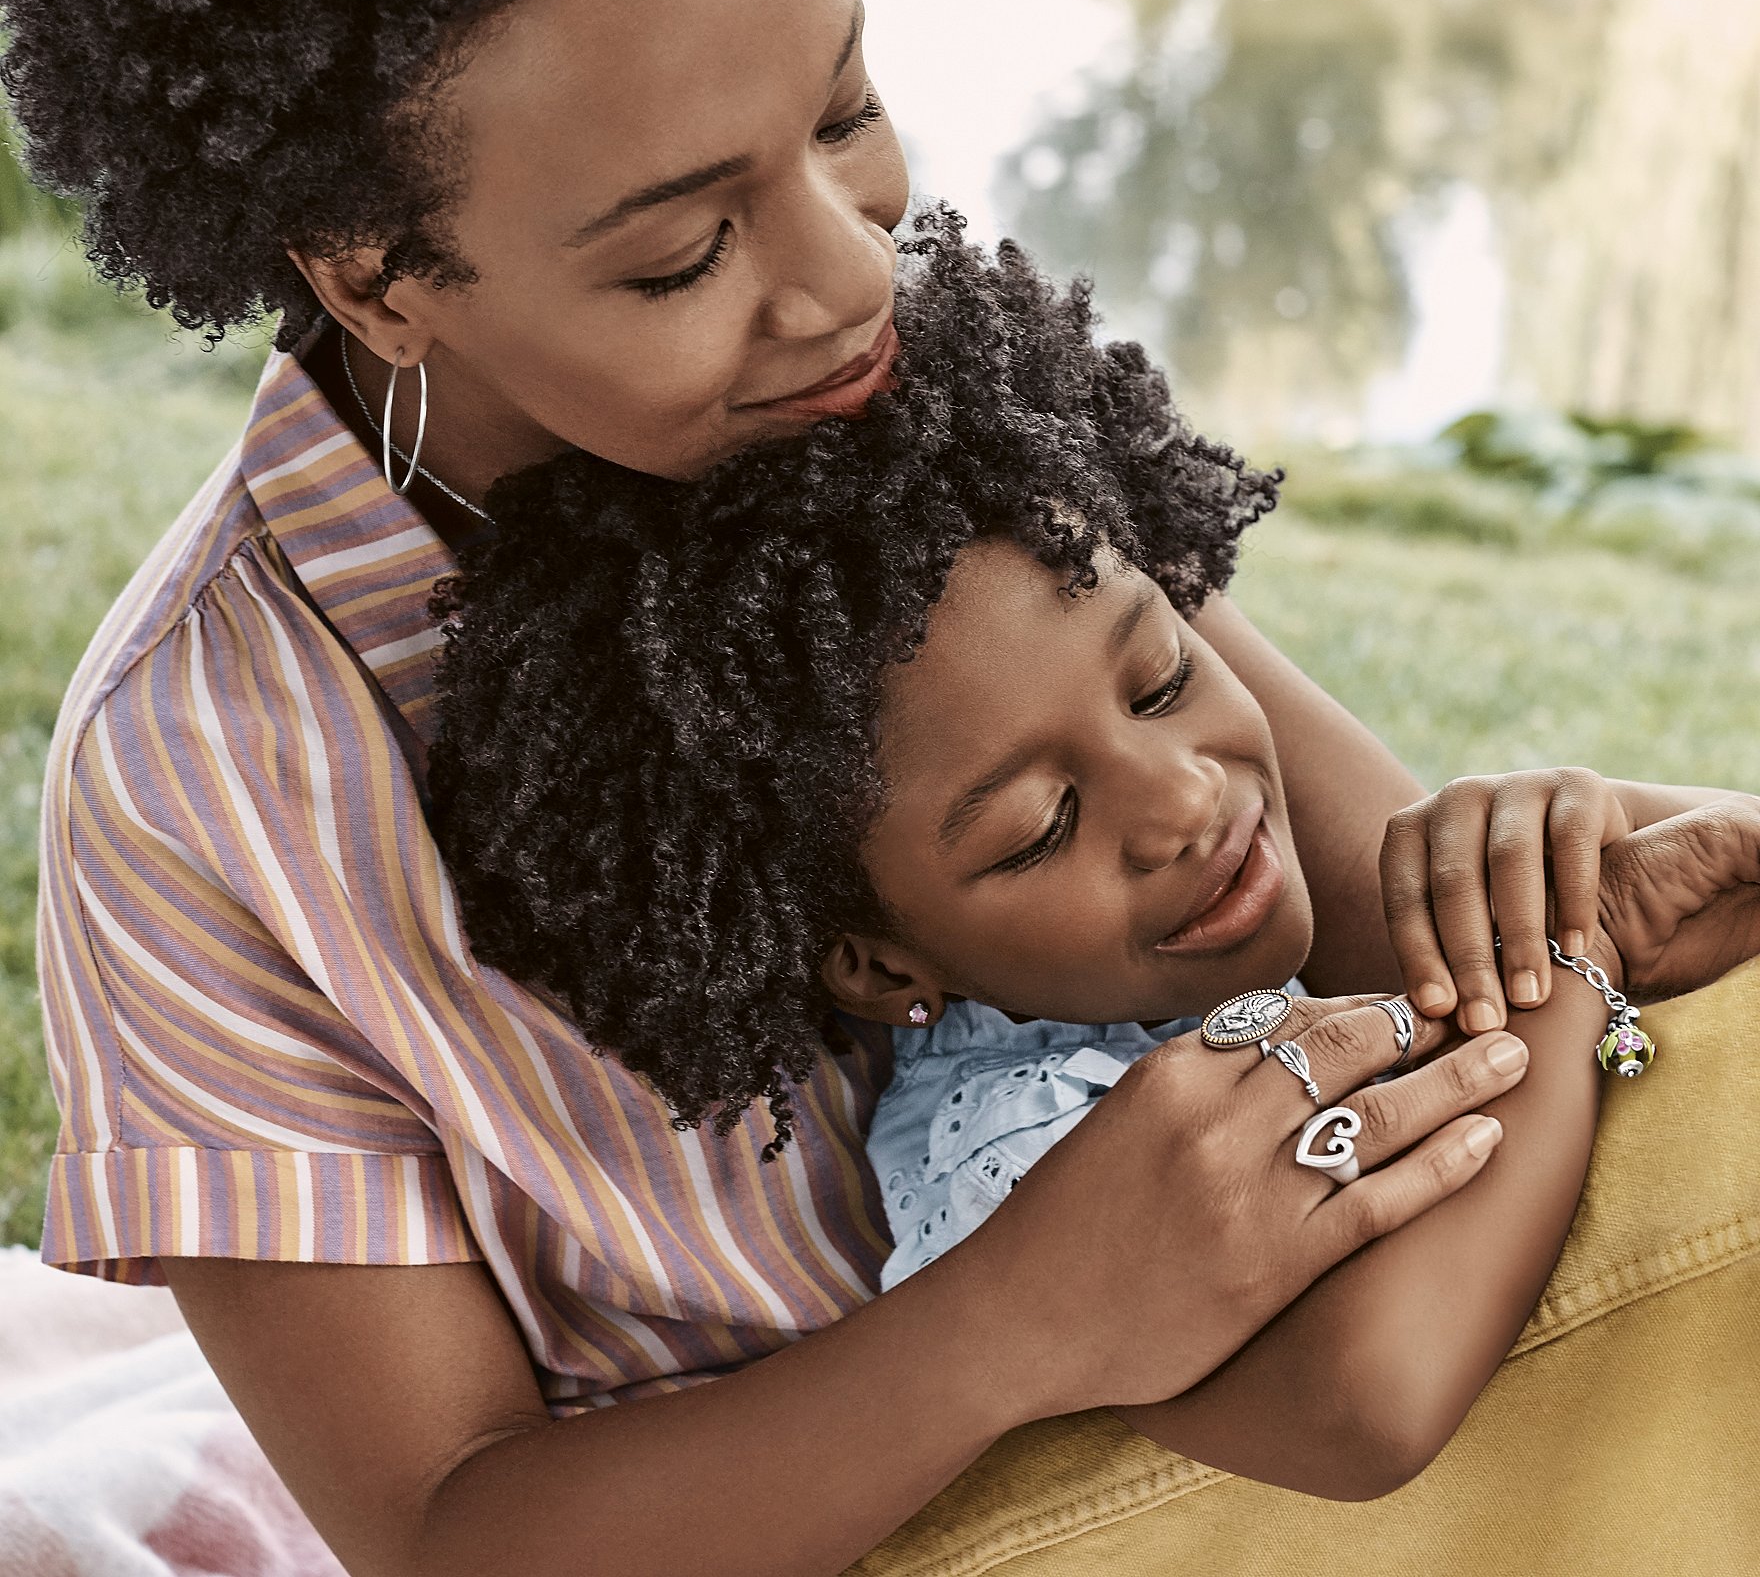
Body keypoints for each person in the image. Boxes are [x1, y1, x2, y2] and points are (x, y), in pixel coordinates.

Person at [3, 0, 1752, 1572]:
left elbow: (1352, 900)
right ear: (379, 273)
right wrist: (1011, 1328)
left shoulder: (907, 395)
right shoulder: (202, 784)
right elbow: (448, 1540)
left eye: (843, 111)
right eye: (684, 250)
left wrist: (1560, 874)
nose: (849, 281)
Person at [426, 213, 1760, 1503]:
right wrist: (1568, 960)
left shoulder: (1207, 985)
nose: (1183, 798)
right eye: (1041, 829)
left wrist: (1589, 847)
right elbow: (1368, 1400)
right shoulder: (1014, 1141)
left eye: (1166, 678)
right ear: (885, 965)